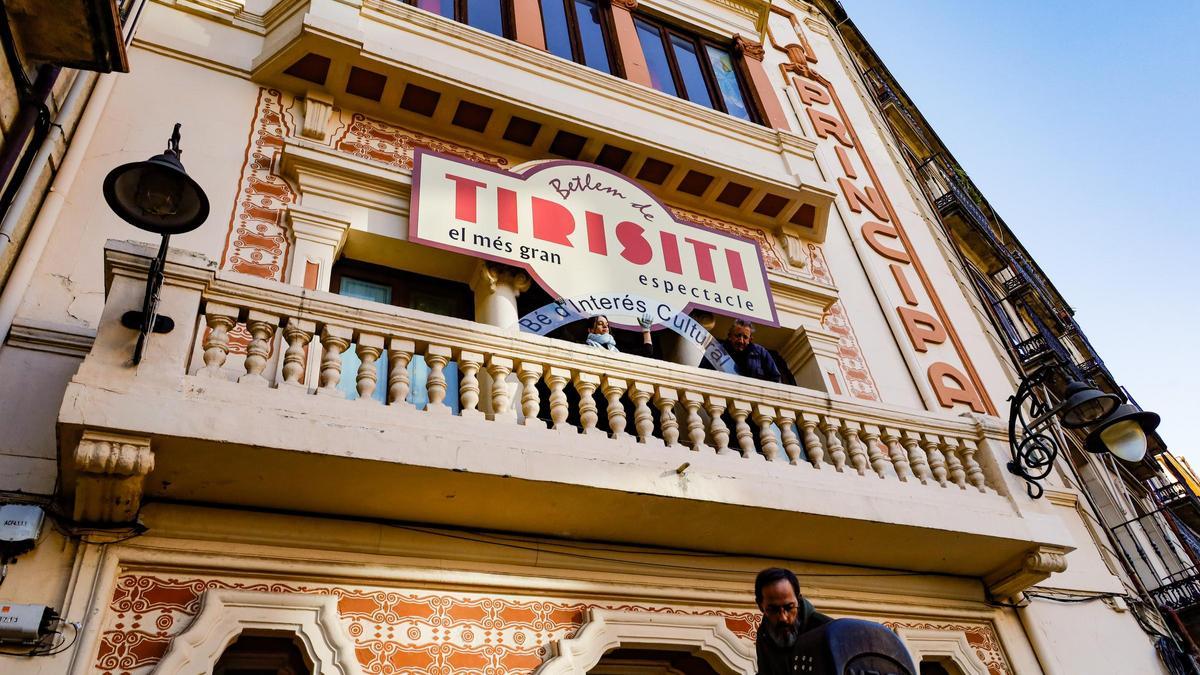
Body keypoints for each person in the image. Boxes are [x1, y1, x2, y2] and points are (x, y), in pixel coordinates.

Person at [754, 567, 832, 675]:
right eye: (773, 610)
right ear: (760, 606)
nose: (783, 618)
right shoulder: (764, 636)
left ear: (798, 600)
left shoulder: (826, 630)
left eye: (789, 607)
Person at [584, 314, 653, 357]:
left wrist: (646, 330)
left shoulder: (616, 349)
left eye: (607, 324)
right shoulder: (585, 345)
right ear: (590, 330)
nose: (605, 326)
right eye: (600, 323)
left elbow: (647, 351)